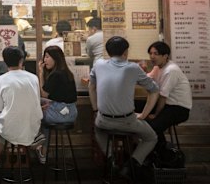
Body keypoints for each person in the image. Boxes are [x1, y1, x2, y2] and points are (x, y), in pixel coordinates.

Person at [89, 36, 159, 181]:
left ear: (108, 52)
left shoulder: (99, 64)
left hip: (103, 120)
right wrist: (144, 114)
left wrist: (96, 109)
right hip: (127, 121)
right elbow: (154, 90)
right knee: (151, 137)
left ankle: (111, 160)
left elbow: (91, 86)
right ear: (126, 52)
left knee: (97, 128)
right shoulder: (133, 68)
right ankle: (131, 164)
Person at [0, 46, 42, 173]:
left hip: (9, 131)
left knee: (1, 127)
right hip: (32, 128)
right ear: (22, 60)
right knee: (7, 123)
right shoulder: (34, 78)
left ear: (5, 61)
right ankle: (36, 144)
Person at [35, 46, 78, 164]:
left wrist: (40, 72)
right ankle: (43, 151)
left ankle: (39, 144)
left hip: (59, 115)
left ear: (56, 58)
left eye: (47, 57)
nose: (44, 60)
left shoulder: (56, 75)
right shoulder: (68, 73)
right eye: (44, 56)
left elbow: (44, 93)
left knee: (35, 110)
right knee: (41, 109)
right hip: (72, 114)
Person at [145, 41, 192, 150]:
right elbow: (147, 79)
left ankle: (162, 151)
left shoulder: (171, 70)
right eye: (150, 53)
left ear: (165, 56)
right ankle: (156, 149)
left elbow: (163, 96)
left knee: (151, 127)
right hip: (167, 105)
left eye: (155, 54)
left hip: (178, 109)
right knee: (135, 105)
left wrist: (156, 114)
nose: (152, 56)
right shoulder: (158, 67)